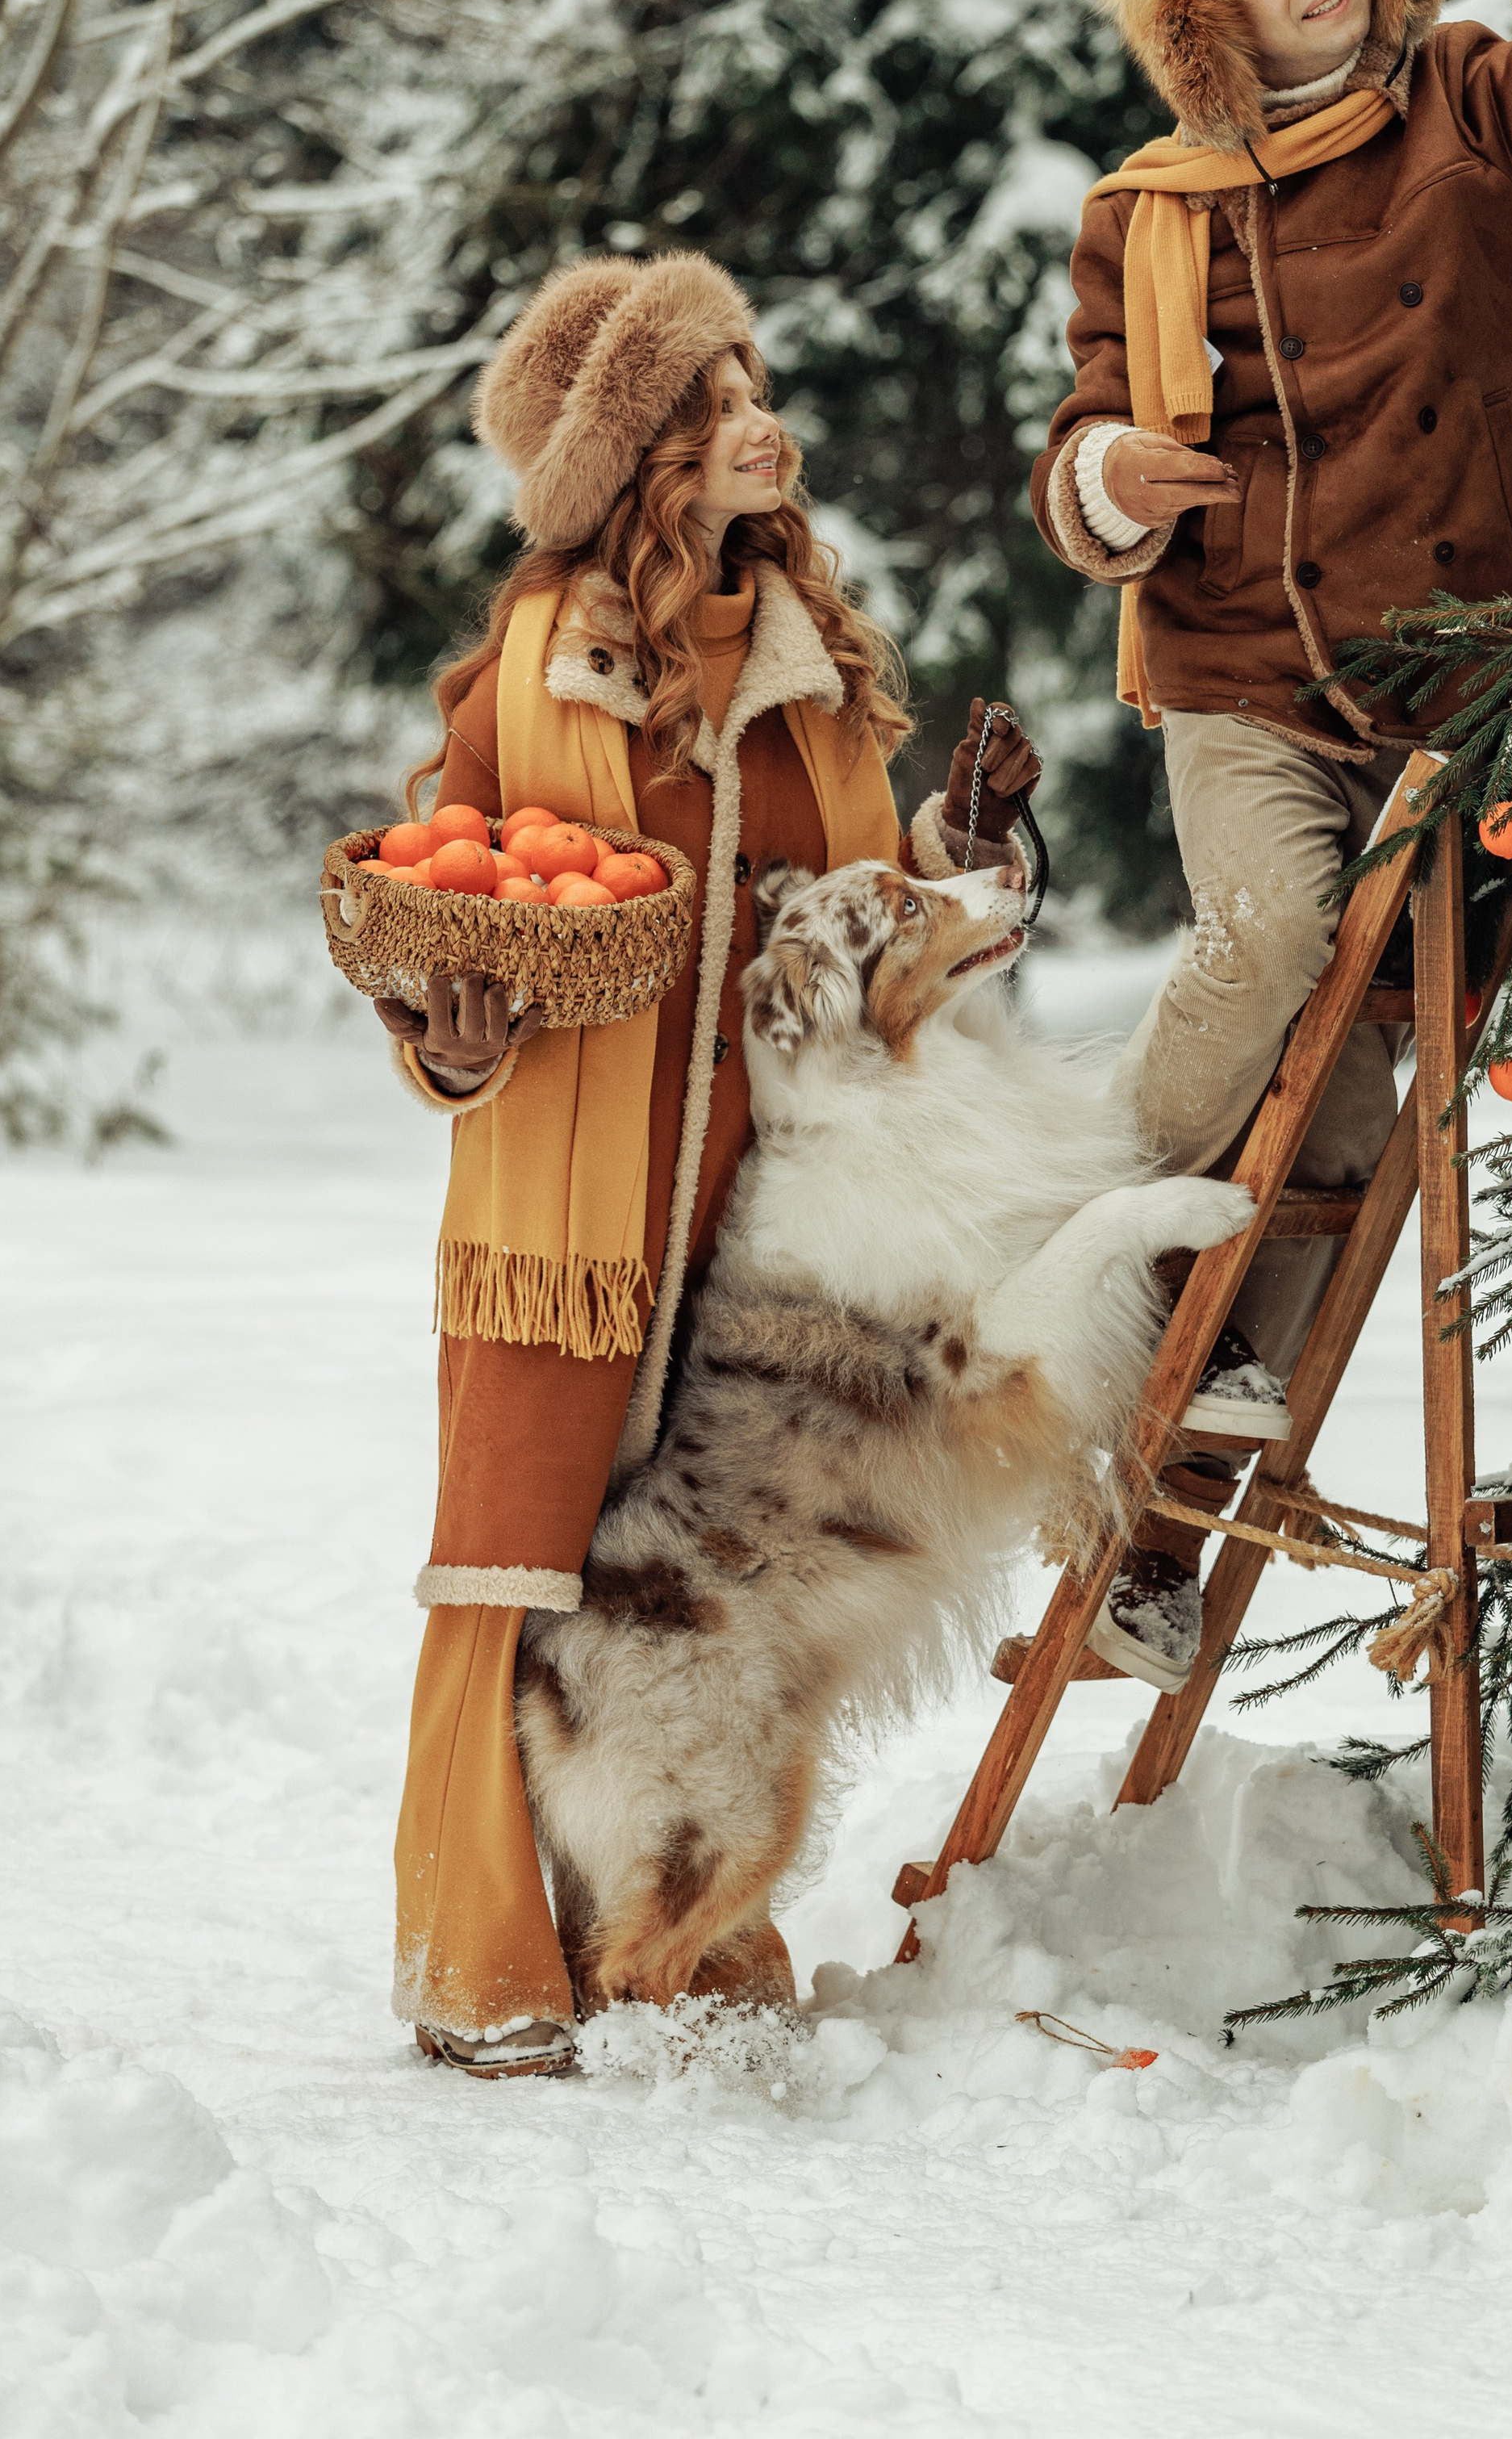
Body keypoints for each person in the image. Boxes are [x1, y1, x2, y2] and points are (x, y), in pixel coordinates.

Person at [1030, 0, 1512, 1686]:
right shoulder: (1141, 214)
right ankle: (1121, 1260)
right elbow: (1070, 451)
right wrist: (1112, 475)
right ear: (1201, 20)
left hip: (1464, 697)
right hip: (1242, 672)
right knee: (1268, 936)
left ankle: (1172, 1499)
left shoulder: (1479, 116)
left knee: (1364, 1095)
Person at [382, 249, 1038, 2075]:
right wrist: (452, 1022)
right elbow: (458, 887)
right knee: (511, 1562)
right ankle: (489, 1959)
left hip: (761, 1208)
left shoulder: (814, 650)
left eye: (758, 390)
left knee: (704, 1583)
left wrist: (961, 842)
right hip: (565, 1207)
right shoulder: (536, 660)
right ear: (634, 458)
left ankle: (687, 1921)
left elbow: (855, 909)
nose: (763, 424)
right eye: (716, 403)